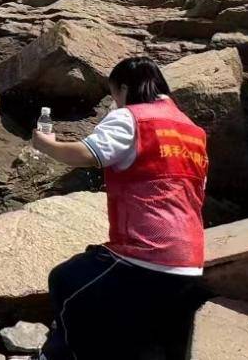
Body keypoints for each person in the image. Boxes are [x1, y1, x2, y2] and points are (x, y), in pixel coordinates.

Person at [33, 57, 208, 359]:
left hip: (147, 254)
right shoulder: (193, 131)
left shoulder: (132, 118)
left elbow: (88, 154)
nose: (115, 104)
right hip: (191, 260)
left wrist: (46, 144)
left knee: (66, 281)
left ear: (124, 89)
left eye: (114, 95)